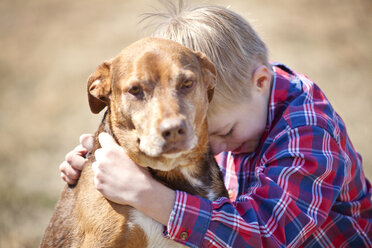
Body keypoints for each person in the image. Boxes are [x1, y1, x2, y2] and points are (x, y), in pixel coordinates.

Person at [59, 2, 372, 247]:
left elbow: (268, 236)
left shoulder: (308, 131)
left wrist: (148, 196)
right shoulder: (236, 110)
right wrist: (96, 164)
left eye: (222, 132)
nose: (211, 147)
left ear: (261, 81)